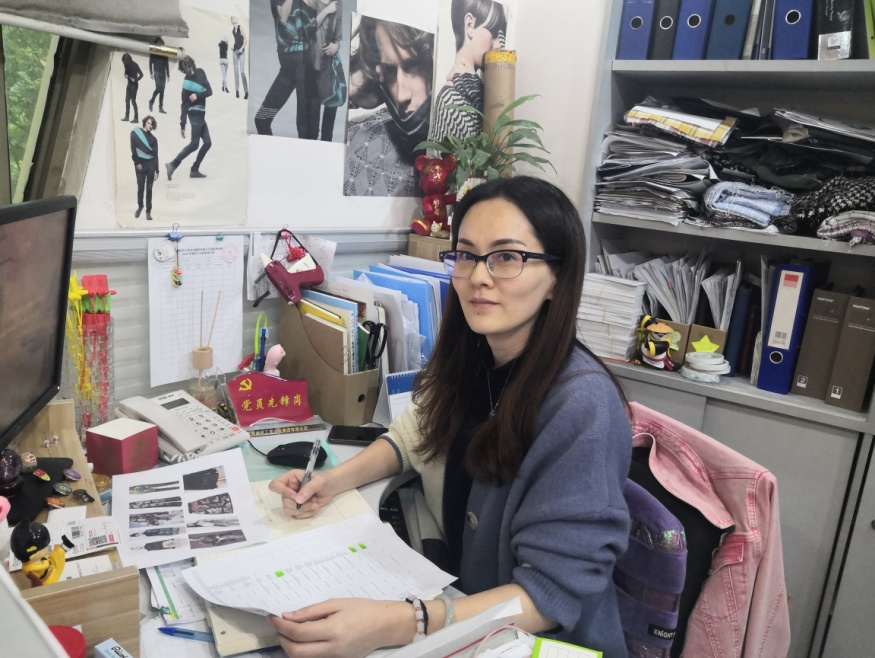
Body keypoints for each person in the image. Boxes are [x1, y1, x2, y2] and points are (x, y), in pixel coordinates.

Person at [269, 176, 633, 657]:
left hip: (533, 640)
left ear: (557, 279)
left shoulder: (582, 406)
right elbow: (413, 435)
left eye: (507, 257)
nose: (478, 276)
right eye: (466, 255)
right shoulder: (475, 356)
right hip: (459, 604)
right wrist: (332, 481)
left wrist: (406, 621)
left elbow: (550, 595)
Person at [343, 16, 434, 197]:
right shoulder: (359, 142)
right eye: (391, 70)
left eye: (413, 65)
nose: (401, 95)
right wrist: (354, 86)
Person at [254, 0, 335, 138]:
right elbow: (283, 18)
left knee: (307, 130)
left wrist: (336, 44)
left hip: (308, 68)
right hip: (288, 68)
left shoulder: (317, 4)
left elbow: (327, 33)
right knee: (262, 119)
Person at [429, 0, 506, 142]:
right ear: (470, 24)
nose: (499, 45)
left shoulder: (474, 89)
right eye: (494, 32)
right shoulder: (451, 99)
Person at [166, 55, 213, 180]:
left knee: (208, 143)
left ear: (193, 64)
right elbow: (184, 105)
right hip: (193, 114)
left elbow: (209, 91)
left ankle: (194, 169)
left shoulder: (201, 72)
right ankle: (173, 165)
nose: (190, 71)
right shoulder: (186, 83)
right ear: (184, 70)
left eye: (191, 67)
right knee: (195, 144)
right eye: (187, 69)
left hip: (201, 114)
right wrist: (183, 125)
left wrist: (197, 95)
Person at [311, 0, 345, 141]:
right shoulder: (311, 2)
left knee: (328, 127)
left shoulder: (338, 3)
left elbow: (337, 38)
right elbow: (305, 30)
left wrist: (336, 46)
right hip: (311, 66)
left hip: (329, 67)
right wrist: (326, 11)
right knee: (311, 127)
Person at [130, 115, 159, 221]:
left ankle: (148, 211)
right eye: (148, 123)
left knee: (149, 189)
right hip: (140, 165)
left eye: (152, 124)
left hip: (151, 165)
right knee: (140, 188)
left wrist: (157, 170)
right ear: (144, 122)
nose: (150, 125)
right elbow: (133, 149)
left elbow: (155, 155)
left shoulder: (154, 139)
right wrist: (137, 163)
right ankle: (140, 206)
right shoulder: (135, 133)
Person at [120, 52, 144, 123]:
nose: (126, 63)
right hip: (129, 84)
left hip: (134, 85)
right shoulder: (125, 64)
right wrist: (125, 74)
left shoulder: (135, 65)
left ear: (129, 60)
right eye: (125, 62)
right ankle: (127, 116)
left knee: (133, 100)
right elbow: (126, 71)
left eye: (126, 61)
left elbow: (141, 74)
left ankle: (136, 118)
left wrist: (136, 80)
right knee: (127, 100)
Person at [148, 38, 170, 114]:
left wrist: (168, 75)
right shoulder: (153, 52)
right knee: (158, 88)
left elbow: (167, 64)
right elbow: (150, 62)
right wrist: (151, 72)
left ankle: (160, 107)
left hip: (163, 73)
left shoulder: (165, 52)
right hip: (156, 72)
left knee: (162, 90)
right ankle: (151, 101)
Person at [231, 16, 250, 99]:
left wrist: (241, 48)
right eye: (231, 19)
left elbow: (245, 40)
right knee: (236, 72)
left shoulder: (240, 27)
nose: (232, 19)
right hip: (235, 52)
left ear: (237, 20)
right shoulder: (233, 30)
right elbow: (236, 41)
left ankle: (246, 92)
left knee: (242, 72)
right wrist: (233, 47)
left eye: (234, 18)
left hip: (241, 52)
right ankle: (237, 90)